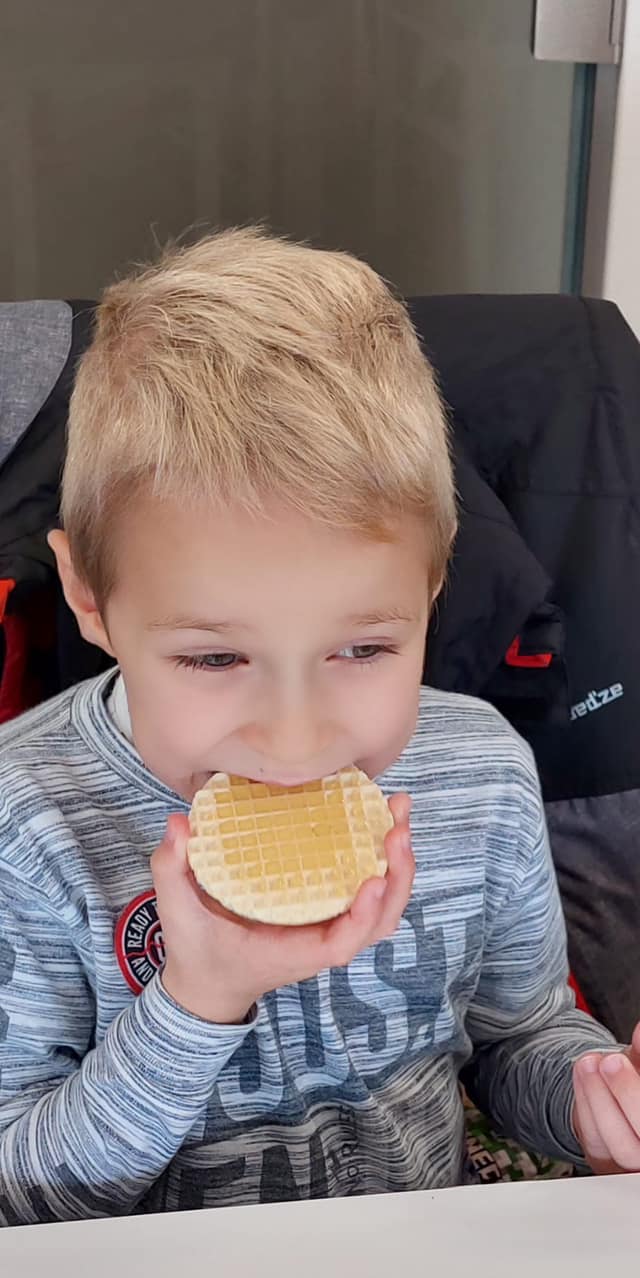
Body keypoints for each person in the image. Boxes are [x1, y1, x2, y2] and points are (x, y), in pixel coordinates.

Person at [0, 229, 638, 1227]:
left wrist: (593, 1095)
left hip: (416, 1267)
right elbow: (22, 1192)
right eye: (215, 659)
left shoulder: (480, 773)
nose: (295, 741)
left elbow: (518, 1039)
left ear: (435, 580)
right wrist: (194, 1002)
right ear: (89, 596)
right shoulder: (27, 825)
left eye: (363, 648)